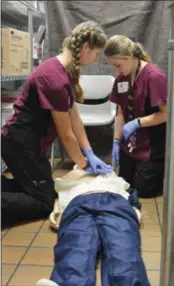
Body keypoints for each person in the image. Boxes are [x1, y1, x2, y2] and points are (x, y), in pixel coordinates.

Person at [1, 21, 113, 228]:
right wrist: (84, 164)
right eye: (96, 53)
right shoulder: (53, 78)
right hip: (20, 145)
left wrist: (89, 151)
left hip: (27, 143)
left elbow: (74, 117)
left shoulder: (64, 71)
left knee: (45, 190)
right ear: (86, 47)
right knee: (44, 202)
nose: (96, 58)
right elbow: (66, 134)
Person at [36, 166, 150, 286]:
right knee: (76, 247)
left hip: (113, 200)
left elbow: (132, 196)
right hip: (79, 203)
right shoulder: (70, 177)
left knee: (123, 247)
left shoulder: (112, 176)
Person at [104, 35, 167, 198]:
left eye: (118, 65)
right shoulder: (121, 79)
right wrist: (116, 141)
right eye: (112, 66)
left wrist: (138, 122)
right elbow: (120, 112)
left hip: (152, 143)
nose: (116, 70)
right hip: (131, 143)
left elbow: (166, 114)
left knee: (143, 191)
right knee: (124, 184)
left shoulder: (154, 77)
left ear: (131, 56)